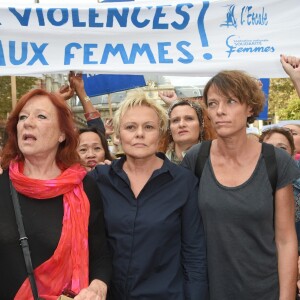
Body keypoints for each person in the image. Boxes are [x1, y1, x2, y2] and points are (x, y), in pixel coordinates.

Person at [182, 70, 300, 299]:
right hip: (209, 290)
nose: (220, 111)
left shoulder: (275, 160)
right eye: (213, 103)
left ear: (250, 107)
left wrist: (286, 297)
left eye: (231, 101)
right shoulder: (196, 159)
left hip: (265, 290)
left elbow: (286, 239)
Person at [89, 89, 208, 299]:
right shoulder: (99, 179)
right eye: (130, 127)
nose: (140, 134)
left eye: (149, 127)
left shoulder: (184, 182)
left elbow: (194, 256)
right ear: (117, 134)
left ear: (161, 133)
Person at [0, 89, 111, 299]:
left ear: (62, 134)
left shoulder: (84, 187)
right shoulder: (1, 185)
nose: (28, 122)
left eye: (41, 116)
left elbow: (100, 256)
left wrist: (98, 287)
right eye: (23, 117)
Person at [166, 99, 216, 164]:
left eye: (189, 119)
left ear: (201, 126)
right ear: (169, 129)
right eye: (175, 120)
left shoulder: (214, 161)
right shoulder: (158, 162)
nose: (181, 124)